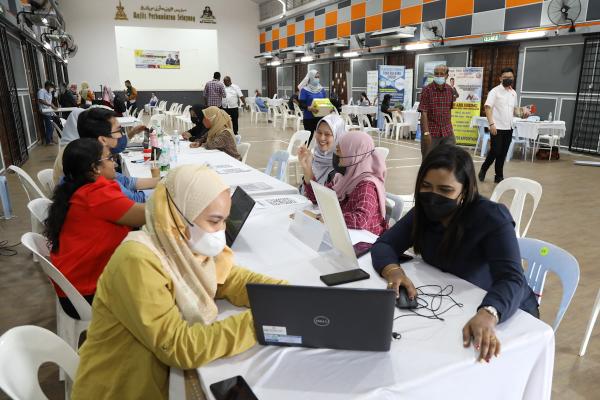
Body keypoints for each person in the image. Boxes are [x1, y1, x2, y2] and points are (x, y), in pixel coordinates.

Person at [70, 165, 286, 399]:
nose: (221, 231)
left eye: (225, 221)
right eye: (214, 221)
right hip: (119, 390)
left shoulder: (180, 243)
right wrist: (262, 320)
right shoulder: (136, 261)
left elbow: (228, 278)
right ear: (178, 216)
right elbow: (179, 345)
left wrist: (284, 294)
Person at [371, 144, 539, 363]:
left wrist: (489, 312)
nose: (433, 196)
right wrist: (393, 271)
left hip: (506, 310)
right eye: (426, 186)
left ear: (465, 191)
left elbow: (512, 279)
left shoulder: (492, 218)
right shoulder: (423, 213)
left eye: (445, 190)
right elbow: (385, 245)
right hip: (455, 302)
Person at [44, 138, 146, 319]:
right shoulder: (95, 194)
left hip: (76, 286)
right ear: (95, 168)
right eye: (110, 158)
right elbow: (148, 215)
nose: (115, 163)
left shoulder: (79, 187)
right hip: (87, 294)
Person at [52, 107, 157, 202]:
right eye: (119, 130)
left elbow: (125, 181)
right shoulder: (94, 168)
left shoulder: (87, 152)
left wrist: (161, 181)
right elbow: (134, 200)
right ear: (103, 139)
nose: (121, 135)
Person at [299, 131, 387, 236]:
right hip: (344, 234)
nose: (336, 155)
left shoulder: (367, 186)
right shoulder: (342, 178)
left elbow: (361, 220)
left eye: (339, 151)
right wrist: (307, 167)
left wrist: (320, 218)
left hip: (365, 241)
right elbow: (318, 198)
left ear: (353, 154)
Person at [479, 67, 529, 184]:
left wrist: (523, 114)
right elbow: (487, 108)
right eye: (505, 77)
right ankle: (484, 168)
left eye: (510, 77)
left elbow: (514, 110)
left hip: (509, 127)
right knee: (495, 151)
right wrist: (491, 124)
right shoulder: (495, 91)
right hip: (497, 127)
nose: (508, 79)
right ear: (500, 78)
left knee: (503, 153)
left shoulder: (513, 93)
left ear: (513, 78)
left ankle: (499, 176)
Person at [297, 114, 346, 186]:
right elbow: (307, 189)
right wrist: (307, 167)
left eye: (327, 134)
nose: (322, 138)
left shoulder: (342, 165)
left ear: (338, 136)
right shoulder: (314, 156)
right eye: (319, 132)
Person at [418, 64, 455, 158]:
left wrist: (450, 129)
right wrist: (426, 133)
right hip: (431, 132)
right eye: (436, 73)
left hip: (447, 132)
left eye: (441, 74)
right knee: (428, 161)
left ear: (446, 76)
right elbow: (423, 112)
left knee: (449, 160)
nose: (438, 76)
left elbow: (449, 110)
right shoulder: (427, 90)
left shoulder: (450, 90)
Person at [298, 69, 327, 143]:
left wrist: (329, 108)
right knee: (308, 138)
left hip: (320, 118)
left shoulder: (322, 89)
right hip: (309, 118)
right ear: (310, 78)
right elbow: (301, 104)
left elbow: (325, 101)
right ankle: (303, 149)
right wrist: (309, 108)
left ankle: (319, 151)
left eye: (318, 77)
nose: (317, 79)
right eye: (315, 77)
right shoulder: (305, 90)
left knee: (321, 139)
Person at [37, 80, 57, 145]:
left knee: (52, 126)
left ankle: (51, 139)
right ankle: (48, 141)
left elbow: (50, 101)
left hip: (49, 111)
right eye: (51, 86)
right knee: (49, 126)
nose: (52, 88)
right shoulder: (41, 91)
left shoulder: (49, 92)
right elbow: (41, 100)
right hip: (45, 111)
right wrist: (50, 105)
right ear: (48, 86)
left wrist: (54, 106)